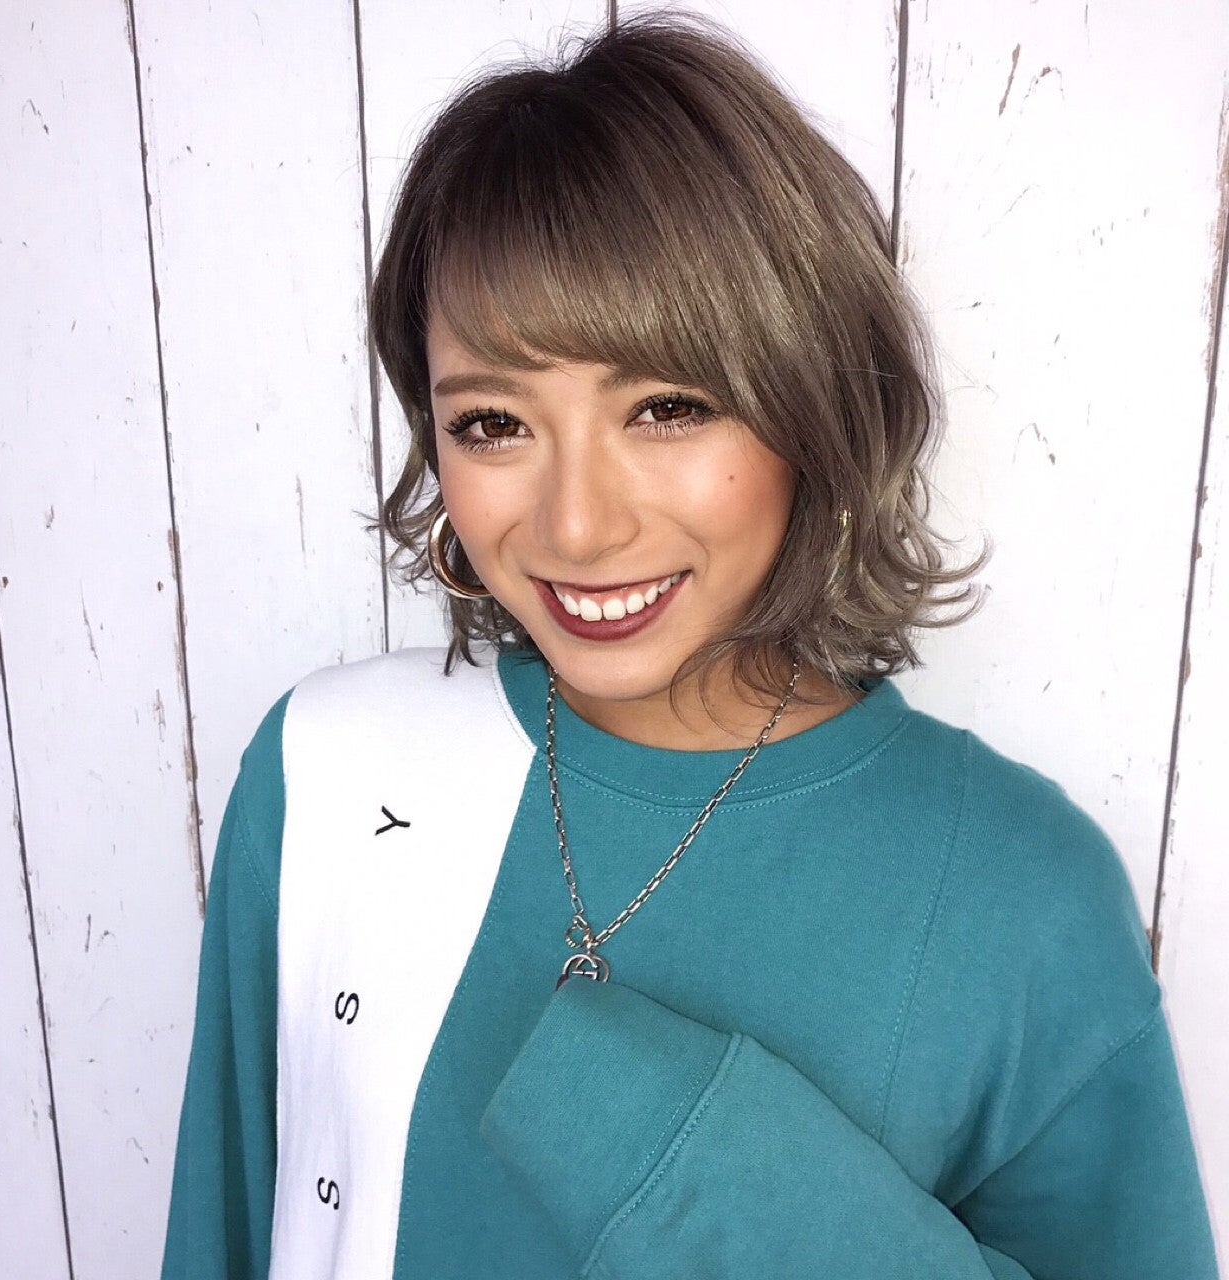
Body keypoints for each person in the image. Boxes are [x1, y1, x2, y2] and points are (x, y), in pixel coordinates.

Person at [160, 12, 1218, 1279]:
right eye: (492, 422)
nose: (576, 524)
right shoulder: (329, 772)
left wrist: (671, 1145)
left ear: (812, 403)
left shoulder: (1022, 896)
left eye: (666, 406)